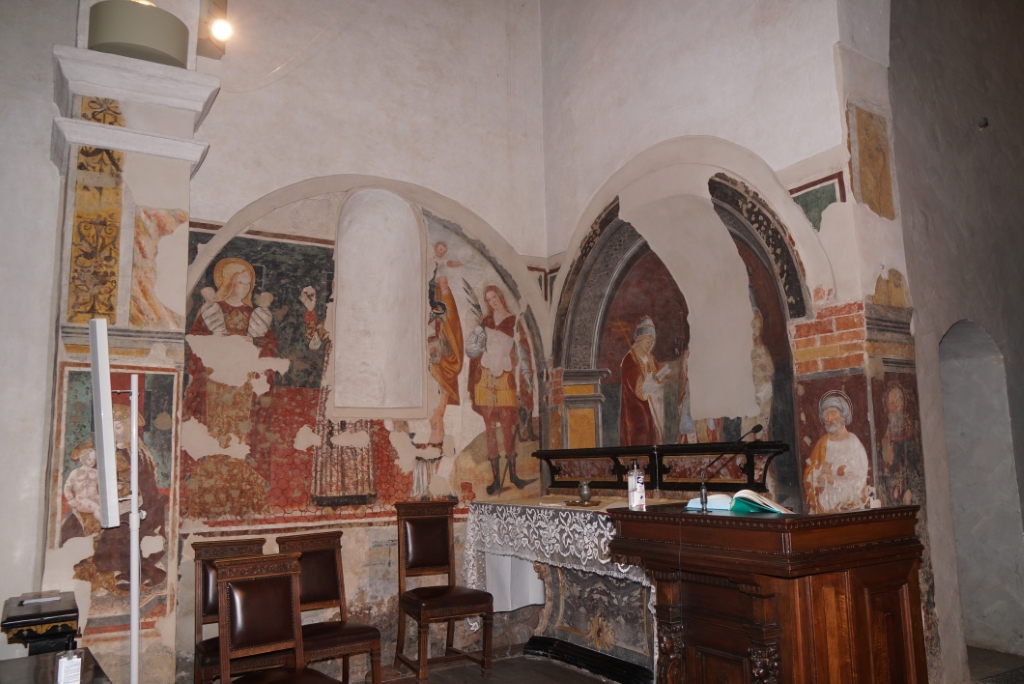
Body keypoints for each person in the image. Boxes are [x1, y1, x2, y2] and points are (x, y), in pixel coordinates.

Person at [184, 257, 277, 448]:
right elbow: (195, 339)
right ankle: (213, 456)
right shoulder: (212, 309)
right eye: (241, 282)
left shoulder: (252, 313)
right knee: (216, 417)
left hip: (243, 376)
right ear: (229, 282)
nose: (246, 287)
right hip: (216, 375)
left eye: (249, 283)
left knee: (240, 419)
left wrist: (253, 341)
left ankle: (237, 457)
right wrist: (214, 338)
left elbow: (270, 342)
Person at [466, 285, 533, 494]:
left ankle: (513, 474)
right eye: (489, 299)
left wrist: (527, 375)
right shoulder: (485, 322)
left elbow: (522, 351)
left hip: (504, 377)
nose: (492, 302)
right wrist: (477, 336)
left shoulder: (513, 321)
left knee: (506, 426)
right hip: (485, 378)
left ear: (501, 297)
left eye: (494, 297)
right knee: (490, 429)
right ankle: (496, 479)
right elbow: (472, 351)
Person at [91, 405, 167, 590]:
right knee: (121, 528)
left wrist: (148, 500)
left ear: (127, 427)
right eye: (112, 427)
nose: (115, 432)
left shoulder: (140, 451)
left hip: (144, 501)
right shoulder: (108, 453)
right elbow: (99, 480)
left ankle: (137, 571)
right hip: (120, 501)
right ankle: (126, 572)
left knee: (140, 523)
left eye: (118, 427)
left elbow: (148, 478)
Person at [803, 391, 870, 513]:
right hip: (825, 511)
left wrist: (833, 480)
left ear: (844, 415)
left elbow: (859, 481)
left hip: (850, 510)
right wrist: (820, 475)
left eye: (833, 413)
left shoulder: (854, 444)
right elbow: (809, 476)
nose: (829, 419)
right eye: (826, 415)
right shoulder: (822, 444)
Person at [620, 316, 669, 445]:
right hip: (636, 411)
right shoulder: (630, 360)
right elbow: (635, 389)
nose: (650, 345)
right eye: (647, 342)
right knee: (641, 437)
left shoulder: (652, 360)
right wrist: (648, 384)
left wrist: (660, 382)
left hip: (652, 409)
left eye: (652, 342)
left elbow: (657, 379)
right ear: (639, 339)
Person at [879, 383, 923, 506]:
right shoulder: (888, 430)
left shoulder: (910, 429)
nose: (890, 408)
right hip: (891, 485)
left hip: (909, 485)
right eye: (889, 404)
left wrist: (910, 489)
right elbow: (884, 462)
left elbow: (915, 464)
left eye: (893, 404)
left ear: (902, 405)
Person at [61, 441, 101, 543]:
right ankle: (105, 526)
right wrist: (70, 499)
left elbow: (104, 485)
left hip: (95, 497)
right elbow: (67, 487)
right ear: (82, 459)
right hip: (82, 500)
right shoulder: (76, 472)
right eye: (89, 459)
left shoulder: (96, 472)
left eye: (94, 459)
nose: (92, 462)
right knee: (97, 508)